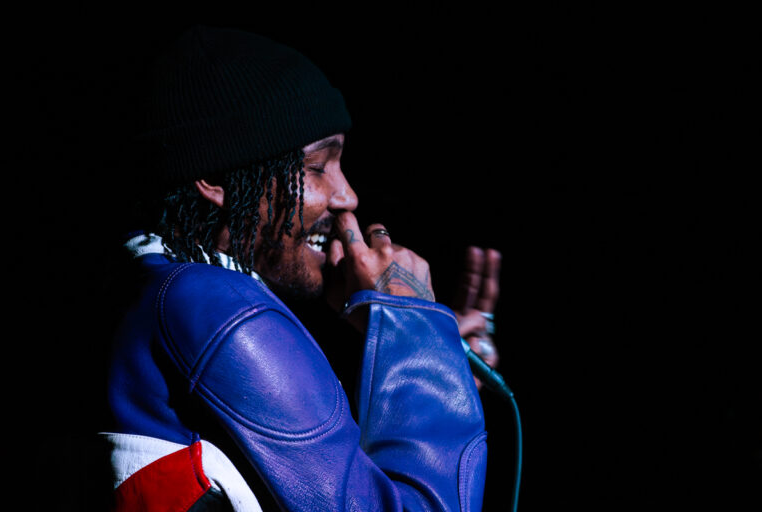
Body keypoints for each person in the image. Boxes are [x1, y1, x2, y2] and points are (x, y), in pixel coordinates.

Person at [101, 25, 502, 511]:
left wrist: (427, 377)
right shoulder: (214, 304)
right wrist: (414, 332)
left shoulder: (150, 289)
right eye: (317, 167)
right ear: (215, 178)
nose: (347, 195)